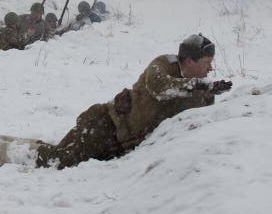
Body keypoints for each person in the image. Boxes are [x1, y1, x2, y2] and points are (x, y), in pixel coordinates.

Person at [35, 34, 232, 169]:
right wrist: (199, 87)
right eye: (207, 62)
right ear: (189, 60)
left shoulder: (204, 94)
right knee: (55, 163)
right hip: (105, 125)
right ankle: (22, 152)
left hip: (124, 147)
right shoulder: (164, 64)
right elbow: (160, 87)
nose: (210, 69)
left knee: (70, 164)